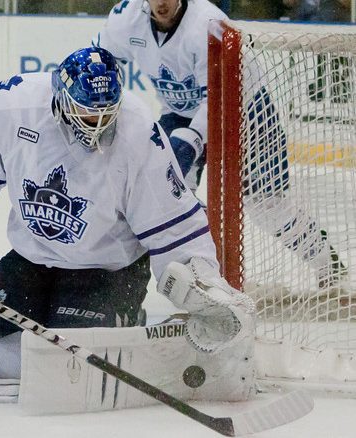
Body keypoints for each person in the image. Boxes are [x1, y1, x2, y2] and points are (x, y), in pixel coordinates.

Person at [0, 46, 254, 381]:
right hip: (30, 262)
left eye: (107, 112)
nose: (99, 124)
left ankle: (128, 322)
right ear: (60, 99)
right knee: (4, 358)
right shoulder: (12, 105)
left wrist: (202, 284)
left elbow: (175, 226)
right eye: (87, 113)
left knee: (63, 367)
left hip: (106, 272)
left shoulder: (139, 132)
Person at [93, 0, 347, 289]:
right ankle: (205, 278)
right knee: (167, 200)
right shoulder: (125, 18)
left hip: (246, 108)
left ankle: (327, 264)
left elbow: (220, 94)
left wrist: (192, 139)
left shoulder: (208, 22)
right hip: (180, 114)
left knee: (267, 204)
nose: (161, 2)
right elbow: (102, 61)